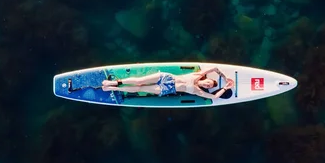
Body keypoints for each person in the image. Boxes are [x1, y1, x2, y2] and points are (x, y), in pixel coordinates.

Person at [101, 66, 235, 99]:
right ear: (205, 78)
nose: (207, 85)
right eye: (208, 82)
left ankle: (115, 89)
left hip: (167, 90)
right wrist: (224, 78)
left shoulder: (198, 91)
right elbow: (215, 69)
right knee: (140, 81)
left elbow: (214, 96)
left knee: (140, 88)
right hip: (167, 78)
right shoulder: (197, 75)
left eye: (209, 86)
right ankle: (115, 83)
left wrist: (225, 88)